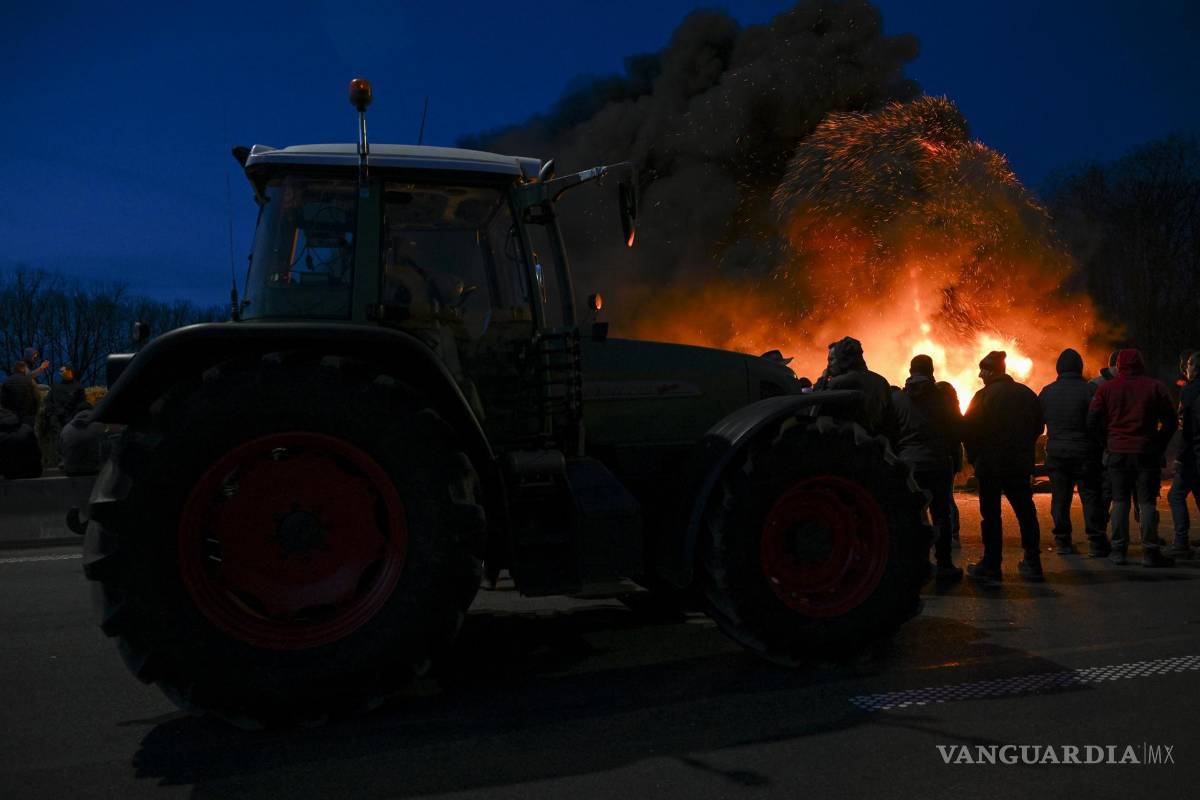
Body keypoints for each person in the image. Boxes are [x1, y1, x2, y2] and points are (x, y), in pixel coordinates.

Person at [1087, 348, 1177, 567]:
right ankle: (1150, 551)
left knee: (1119, 502)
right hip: (1146, 453)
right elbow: (1171, 422)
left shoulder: (1106, 389)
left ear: (1118, 366)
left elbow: (1092, 421)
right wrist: (1158, 444)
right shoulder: (1155, 387)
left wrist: (1106, 442)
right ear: (1141, 364)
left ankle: (1118, 550)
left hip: (1117, 453)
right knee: (1146, 503)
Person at [962, 351, 1045, 580]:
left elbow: (969, 430)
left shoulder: (983, 397)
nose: (980, 375)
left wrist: (974, 458)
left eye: (982, 370)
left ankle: (991, 564)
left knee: (991, 515)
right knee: (1026, 512)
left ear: (991, 371)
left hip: (990, 466)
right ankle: (1032, 561)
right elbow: (1038, 426)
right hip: (1018, 464)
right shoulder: (1026, 394)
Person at [891, 355, 963, 581]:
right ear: (931, 371)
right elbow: (957, 430)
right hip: (937, 463)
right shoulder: (944, 399)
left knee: (912, 514)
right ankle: (944, 564)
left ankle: (915, 564)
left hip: (909, 465)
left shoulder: (898, 400)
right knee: (941, 514)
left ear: (911, 371)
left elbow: (890, 432)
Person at [1038, 348, 1109, 557]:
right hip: (1086, 453)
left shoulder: (1047, 391)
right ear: (1080, 367)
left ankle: (1063, 542)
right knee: (1090, 496)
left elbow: (1037, 422)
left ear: (1059, 368)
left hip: (1057, 453)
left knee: (1060, 497)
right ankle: (1096, 541)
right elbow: (1099, 421)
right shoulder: (1090, 391)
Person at [814, 336, 896, 437]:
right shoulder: (882, 381)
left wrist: (822, 379)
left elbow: (815, 409)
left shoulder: (838, 383)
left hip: (849, 447)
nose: (828, 365)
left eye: (831, 359)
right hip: (877, 447)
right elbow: (890, 422)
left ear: (843, 359)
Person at [1166, 350, 1200, 558]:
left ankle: (1180, 541)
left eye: (1189, 364)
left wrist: (1179, 457)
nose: (1186, 367)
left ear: (1195, 367)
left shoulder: (1189, 391)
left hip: (1194, 455)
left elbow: (1186, 429)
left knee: (1175, 495)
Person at [42, 364, 89, 463]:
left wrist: (73, 413)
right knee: (58, 436)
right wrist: (53, 411)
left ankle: (74, 459)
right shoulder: (55, 387)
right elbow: (48, 401)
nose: (60, 373)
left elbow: (82, 403)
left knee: (72, 437)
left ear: (69, 371)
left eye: (62, 371)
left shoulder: (78, 387)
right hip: (57, 417)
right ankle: (62, 460)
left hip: (71, 417)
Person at [0, 405, 43, 479]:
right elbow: (38, 453)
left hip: (12, 475)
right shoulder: (26, 428)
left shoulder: (2, 436)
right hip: (34, 472)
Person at [2, 361, 41, 428]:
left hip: (11, 417)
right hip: (28, 417)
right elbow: (37, 397)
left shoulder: (6, 381)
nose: (28, 371)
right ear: (22, 369)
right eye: (27, 369)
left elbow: (3, 400)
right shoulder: (29, 381)